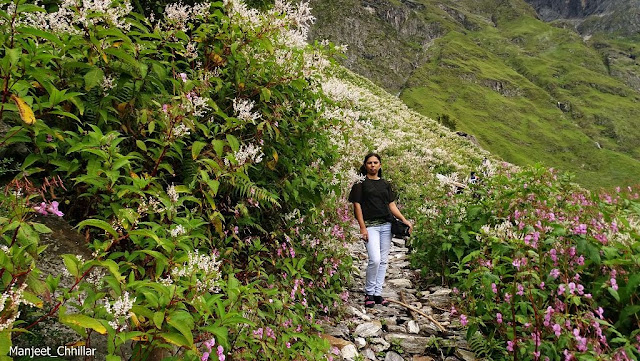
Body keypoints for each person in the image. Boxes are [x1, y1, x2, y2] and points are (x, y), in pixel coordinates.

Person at [348, 153, 413, 308]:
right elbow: (357, 206)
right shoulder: (360, 184)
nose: (372, 165)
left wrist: (404, 220)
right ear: (365, 165)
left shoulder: (385, 184)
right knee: (374, 259)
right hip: (370, 226)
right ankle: (369, 292)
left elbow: (391, 205)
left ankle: (377, 294)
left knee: (383, 260)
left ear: (380, 165)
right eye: (369, 163)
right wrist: (362, 227)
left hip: (386, 225)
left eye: (375, 162)